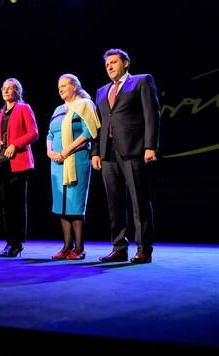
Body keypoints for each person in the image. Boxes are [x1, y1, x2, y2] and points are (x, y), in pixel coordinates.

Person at [91, 48, 160, 264]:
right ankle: (119, 247)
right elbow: (98, 125)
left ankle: (144, 249)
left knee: (139, 199)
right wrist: (95, 152)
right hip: (107, 153)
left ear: (126, 63)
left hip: (134, 149)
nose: (109, 67)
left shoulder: (141, 81)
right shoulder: (101, 91)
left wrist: (150, 146)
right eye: (106, 64)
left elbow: (152, 114)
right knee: (114, 202)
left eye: (113, 62)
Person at [46, 74, 101, 260]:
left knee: (75, 204)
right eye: (58, 86)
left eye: (64, 85)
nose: (60, 89)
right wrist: (50, 152)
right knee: (62, 204)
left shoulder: (85, 105)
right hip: (57, 162)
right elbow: (49, 134)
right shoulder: (58, 109)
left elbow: (89, 132)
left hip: (77, 159)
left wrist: (66, 152)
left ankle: (79, 248)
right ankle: (66, 247)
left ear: (75, 87)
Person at [0, 78, 39, 258]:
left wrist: (15, 145)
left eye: (11, 88)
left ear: (17, 92)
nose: (6, 91)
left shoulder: (23, 108)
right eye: (4, 88)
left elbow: (34, 133)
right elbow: (3, 137)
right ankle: (9, 242)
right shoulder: (0, 115)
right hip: (3, 162)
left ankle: (17, 243)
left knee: (17, 204)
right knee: (5, 204)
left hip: (19, 162)